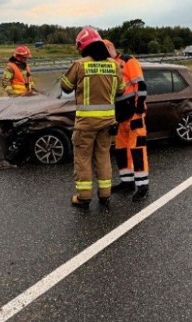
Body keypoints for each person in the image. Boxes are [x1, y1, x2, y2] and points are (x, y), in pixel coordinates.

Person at [60, 27, 125, 209]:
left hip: (85, 124)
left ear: (83, 47)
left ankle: (83, 197)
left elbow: (65, 87)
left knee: (83, 159)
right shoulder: (113, 65)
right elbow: (121, 89)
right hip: (107, 122)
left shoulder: (80, 65)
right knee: (103, 157)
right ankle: (105, 195)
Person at [104, 40, 150, 202]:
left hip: (134, 115)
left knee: (137, 150)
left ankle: (143, 186)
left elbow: (141, 85)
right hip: (120, 117)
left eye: (105, 50)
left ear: (111, 48)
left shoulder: (128, 61)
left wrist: (138, 111)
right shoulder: (108, 65)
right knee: (121, 151)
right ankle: (127, 182)